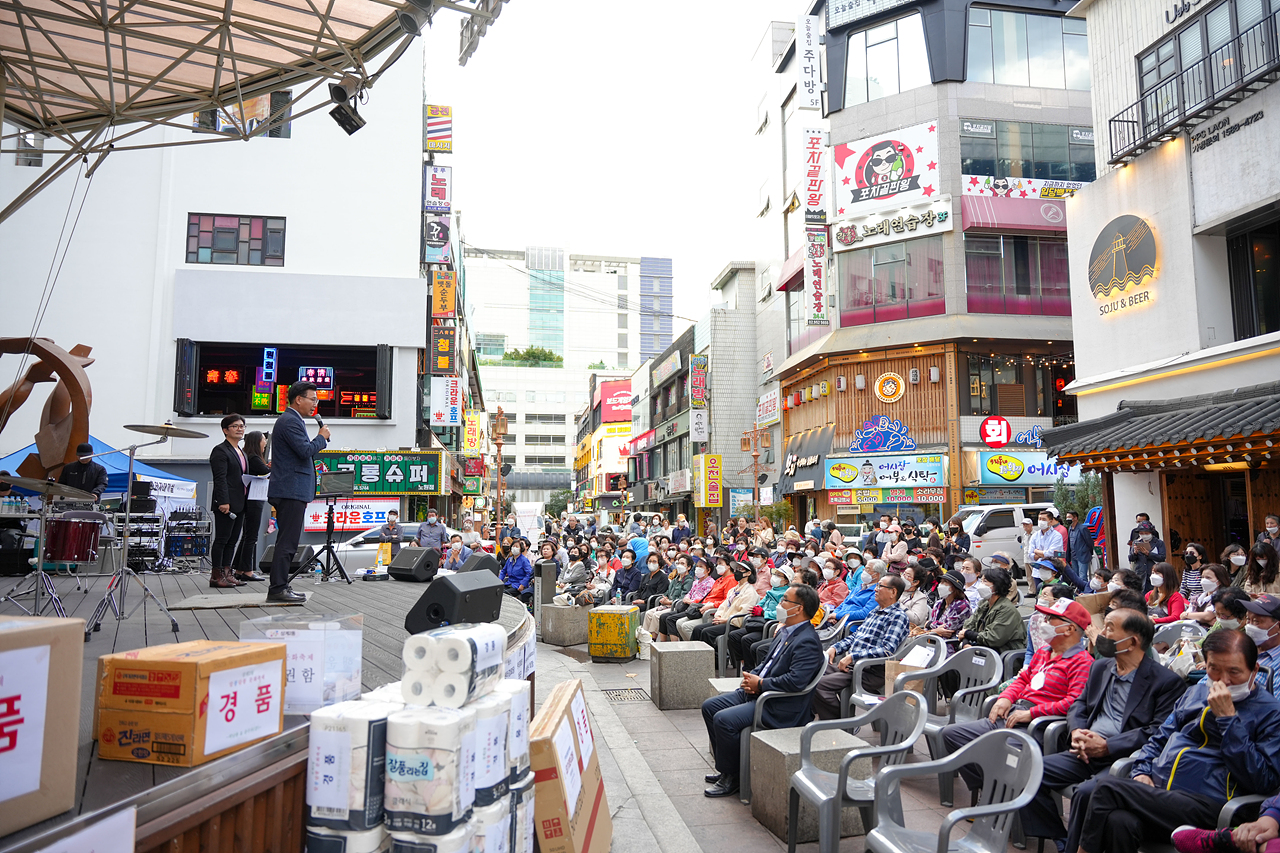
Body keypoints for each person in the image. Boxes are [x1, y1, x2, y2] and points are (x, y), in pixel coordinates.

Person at [1070, 630, 1280, 853]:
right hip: (1163, 794)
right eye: (1214, 669)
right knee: (1119, 821)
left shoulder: (1270, 713)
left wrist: (1228, 721)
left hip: (1213, 803)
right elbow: (1160, 737)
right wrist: (1141, 770)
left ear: (1254, 671)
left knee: (1105, 788)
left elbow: (1263, 780)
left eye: (1234, 672)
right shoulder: (1196, 693)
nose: (1223, 680)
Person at [1019, 607, 1187, 853]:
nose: (1099, 633)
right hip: (1086, 749)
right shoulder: (1102, 667)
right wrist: (1077, 732)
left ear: (1131, 642)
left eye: (1109, 628)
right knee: (1029, 770)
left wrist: (1108, 746)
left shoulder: (1165, 682)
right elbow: (1079, 705)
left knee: (1087, 793)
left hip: (1124, 757)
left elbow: (1157, 731)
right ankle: (1061, 837)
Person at [942, 597, 1094, 794]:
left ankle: (997, 794)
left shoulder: (1082, 662)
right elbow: (1022, 679)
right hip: (1014, 713)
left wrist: (1033, 714)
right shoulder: (1044, 653)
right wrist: (1006, 697)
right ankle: (988, 789)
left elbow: (1074, 702)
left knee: (1000, 751)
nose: (1044, 623)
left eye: (1051, 619)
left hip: (1040, 725)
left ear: (1069, 629)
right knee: (952, 735)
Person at [701, 583, 825, 798]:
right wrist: (752, 676)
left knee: (724, 720)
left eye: (785, 600)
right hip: (760, 691)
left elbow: (796, 681)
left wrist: (761, 684)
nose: (780, 603)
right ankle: (727, 767)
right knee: (710, 707)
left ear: (800, 608)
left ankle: (734, 777)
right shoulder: (785, 630)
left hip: (779, 703)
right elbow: (767, 664)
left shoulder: (807, 641)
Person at [812, 574, 910, 717]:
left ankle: (840, 724)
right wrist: (835, 648)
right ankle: (815, 716)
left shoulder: (898, 616)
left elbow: (888, 650)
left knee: (819, 686)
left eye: (880, 586)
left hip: (870, 671)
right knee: (811, 671)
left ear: (893, 592)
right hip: (853, 666)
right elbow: (855, 637)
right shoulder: (874, 612)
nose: (875, 589)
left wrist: (853, 657)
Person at [266, 382, 329, 603]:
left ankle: (281, 586)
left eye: (316, 400)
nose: (315, 404)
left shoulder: (293, 420)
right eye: (313, 399)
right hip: (290, 490)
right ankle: (278, 588)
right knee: (288, 543)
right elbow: (305, 450)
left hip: (293, 490)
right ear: (298, 399)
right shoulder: (290, 421)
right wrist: (321, 437)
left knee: (289, 541)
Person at [208, 414, 249, 589]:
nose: (240, 429)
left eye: (242, 426)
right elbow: (220, 478)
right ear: (225, 430)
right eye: (235, 426)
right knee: (222, 539)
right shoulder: (220, 450)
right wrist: (223, 501)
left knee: (233, 540)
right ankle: (216, 575)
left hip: (240, 502)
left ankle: (227, 572)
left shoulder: (241, 451)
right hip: (226, 504)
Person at [728, 565, 794, 671]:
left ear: (786, 580)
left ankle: (749, 669)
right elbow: (761, 604)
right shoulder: (772, 590)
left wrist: (764, 613)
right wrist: (757, 608)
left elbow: (781, 612)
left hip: (768, 624)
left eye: (779, 575)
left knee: (747, 640)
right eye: (775, 574)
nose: (775, 577)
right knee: (734, 636)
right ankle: (744, 662)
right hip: (758, 622)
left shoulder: (786, 594)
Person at [955, 567, 1027, 654]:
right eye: (981, 581)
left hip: (1003, 653)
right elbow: (968, 625)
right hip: (983, 648)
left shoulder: (1006, 610)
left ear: (997, 585)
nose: (981, 584)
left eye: (985, 581)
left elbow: (994, 638)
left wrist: (968, 634)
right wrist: (966, 642)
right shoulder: (984, 604)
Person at [230, 429, 269, 582]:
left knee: (247, 535)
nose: (265, 443)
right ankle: (247, 570)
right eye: (263, 440)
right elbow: (266, 471)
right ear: (257, 441)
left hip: (249, 498)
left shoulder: (248, 456)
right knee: (251, 536)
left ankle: (239, 568)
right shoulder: (254, 457)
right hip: (254, 498)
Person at [913, 568, 972, 651]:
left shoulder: (962, 606)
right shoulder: (939, 603)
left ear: (954, 587)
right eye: (941, 582)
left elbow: (947, 630)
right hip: (932, 639)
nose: (941, 585)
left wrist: (929, 624)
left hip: (949, 645)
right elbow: (933, 628)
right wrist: (935, 629)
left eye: (945, 582)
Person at [657, 556, 714, 641]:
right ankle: (663, 644)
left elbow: (705, 599)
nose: (698, 568)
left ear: (708, 570)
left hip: (696, 609)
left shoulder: (710, 583)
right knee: (664, 616)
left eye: (701, 567)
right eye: (697, 566)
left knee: (671, 619)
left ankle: (676, 648)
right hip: (687, 606)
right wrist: (686, 598)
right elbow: (689, 593)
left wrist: (691, 601)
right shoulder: (696, 582)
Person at [642, 556, 693, 635]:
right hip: (667, 604)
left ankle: (653, 640)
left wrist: (669, 602)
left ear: (689, 567)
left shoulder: (689, 580)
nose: (679, 565)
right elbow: (668, 592)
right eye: (678, 563)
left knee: (656, 616)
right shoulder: (675, 579)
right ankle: (644, 638)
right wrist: (664, 598)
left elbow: (683, 597)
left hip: (676, 606)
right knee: (648, 613)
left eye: (682, 564)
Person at [1243, 594, 1280, 699]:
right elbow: (1203, 684)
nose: (1249, 626)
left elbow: (1272, 709)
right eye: (1248, 619)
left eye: (1256, 621)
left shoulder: (1277, 664)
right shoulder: (1239, 648)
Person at [1128, 520, 1166, 590]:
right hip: (1140, 573)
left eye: (1146, 533)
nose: (1144, 535)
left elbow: (1162, 557)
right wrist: (1135, 553)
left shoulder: (1158, 543)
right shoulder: (1136, 542)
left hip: (1153, 573)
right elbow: (1131, 558)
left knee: (1153, 594)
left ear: (1151, 532)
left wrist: (1148, 554)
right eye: (1141, 533)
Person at [1064, 509, 1095, 590]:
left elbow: (1089, 542)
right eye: (1067, 517)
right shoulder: (1070, 528)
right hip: (1073, 556)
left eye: (1069, 517)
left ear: (1075, 518)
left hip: (1082, 556)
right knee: (1076, 576)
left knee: (1082, 576)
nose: (1067, 519)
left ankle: (1085, 591)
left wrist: (1088, 552)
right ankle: (1078, 591)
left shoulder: (1082, 528)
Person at [899, 562, 932, 627]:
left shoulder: (920, 597)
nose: (903, 577)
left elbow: (916, 620)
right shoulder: (897, 590)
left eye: (907, 575)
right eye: (903, 574)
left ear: (916, 582)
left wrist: (899, 604)